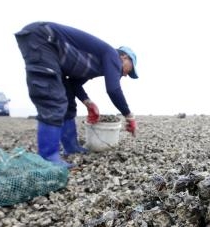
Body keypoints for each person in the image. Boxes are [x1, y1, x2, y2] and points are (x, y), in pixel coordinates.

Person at [14, 21, 138, 167]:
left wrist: (88, 102)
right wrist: (129, 116)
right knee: (52, 98)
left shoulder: (95, 63)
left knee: (67, 98)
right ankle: (48, 159)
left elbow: (74, 84)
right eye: (129, 70)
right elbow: (113, 90)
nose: (126, 75)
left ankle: (71, 147)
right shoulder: (112, 54)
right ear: (124, 57)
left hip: (53, 53)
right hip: (45, 38)